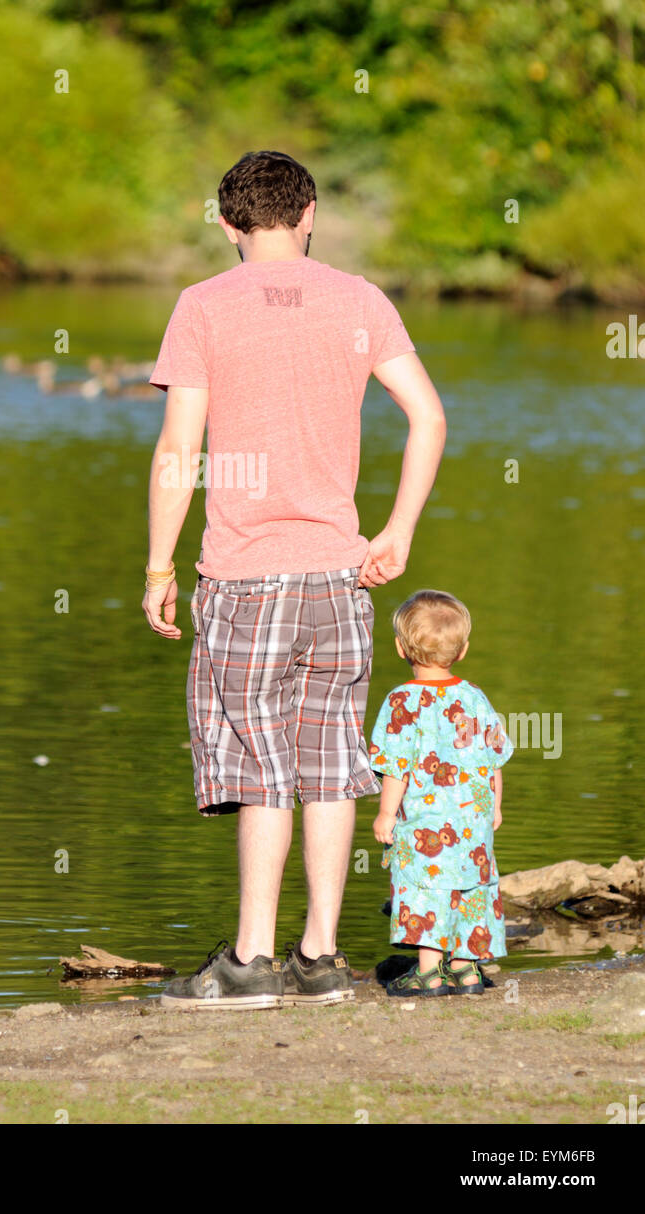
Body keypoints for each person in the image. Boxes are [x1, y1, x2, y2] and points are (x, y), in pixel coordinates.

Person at [142, 150, 446, 1010]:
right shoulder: (359, 300)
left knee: (259, 771)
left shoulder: (202, 306)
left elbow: (178, 453)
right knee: (329, 767)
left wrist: (160, 565)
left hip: (244, 580)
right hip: (338, 580)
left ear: (228, 223)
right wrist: (397, 530)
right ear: (308, 212)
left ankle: (248, 961)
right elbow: (428, 417)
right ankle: (318, 959)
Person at [370, 589, 514, 998]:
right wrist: (496, 807)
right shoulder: (474, 697)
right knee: (470, 887)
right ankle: (468, 971)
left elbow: (396, 766)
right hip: (474, 822)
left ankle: (430, 972)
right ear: (463, 650)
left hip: (425, 825)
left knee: (424, 887)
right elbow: (493, 759)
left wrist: (385, 813)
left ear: (400, 647)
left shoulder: (402, 702)